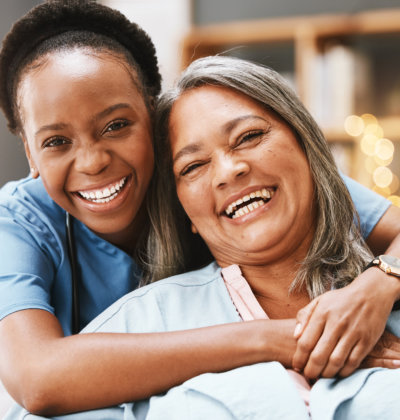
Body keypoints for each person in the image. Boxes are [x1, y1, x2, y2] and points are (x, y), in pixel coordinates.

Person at [0, 0, 399, 417]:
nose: (93, 161)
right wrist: (288, 338)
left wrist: (377, 285)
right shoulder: (20, 223)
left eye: (116, 125)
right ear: (29, 151)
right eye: (56, 141)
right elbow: (37, 378)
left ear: (152, 117)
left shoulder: (251, 180)